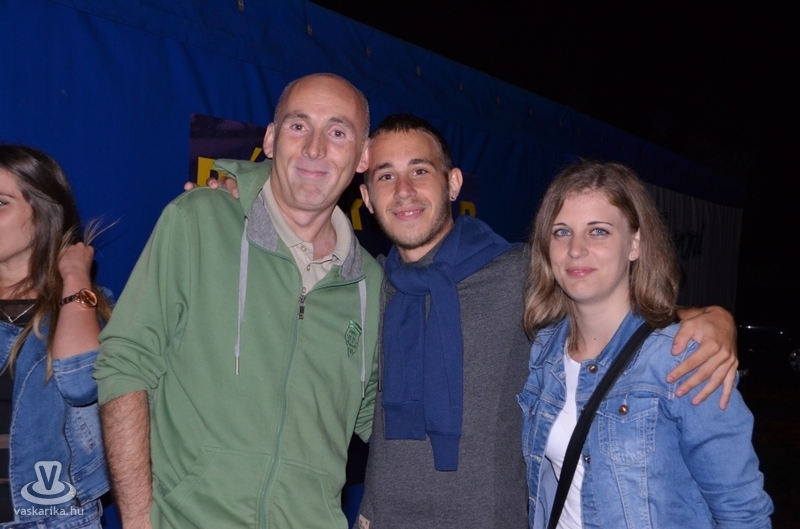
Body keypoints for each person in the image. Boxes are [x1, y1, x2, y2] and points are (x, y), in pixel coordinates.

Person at [352, 115, 739, 529]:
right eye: (386, 175)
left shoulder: (518, 272)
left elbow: (617, 312)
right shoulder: (369, 285)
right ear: (367, 197)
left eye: (420, 170)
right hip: (381, 518)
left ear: (453, 183)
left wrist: (714, 319)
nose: (404, 190)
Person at [94, 74, 383, 529]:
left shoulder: (372, 281)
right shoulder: (197, 220)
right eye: (299, 126)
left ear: (363, 156)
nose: (315, 148)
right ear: (270, 139)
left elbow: (384, 423)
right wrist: (136, 519)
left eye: (338, 131)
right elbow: (126, 363)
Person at [518, 161, 771, 528]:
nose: (575, 249)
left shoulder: (683, 359)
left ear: (634, 244)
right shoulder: (544, 353)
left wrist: (719, 318)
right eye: (562, 232)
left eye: (599, 231)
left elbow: (743, 513)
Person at [0, 145, 112, 528]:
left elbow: (82, 383)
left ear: (44, 211)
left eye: (0, 202)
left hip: (53, 519)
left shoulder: (84, 304)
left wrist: (75, 275)